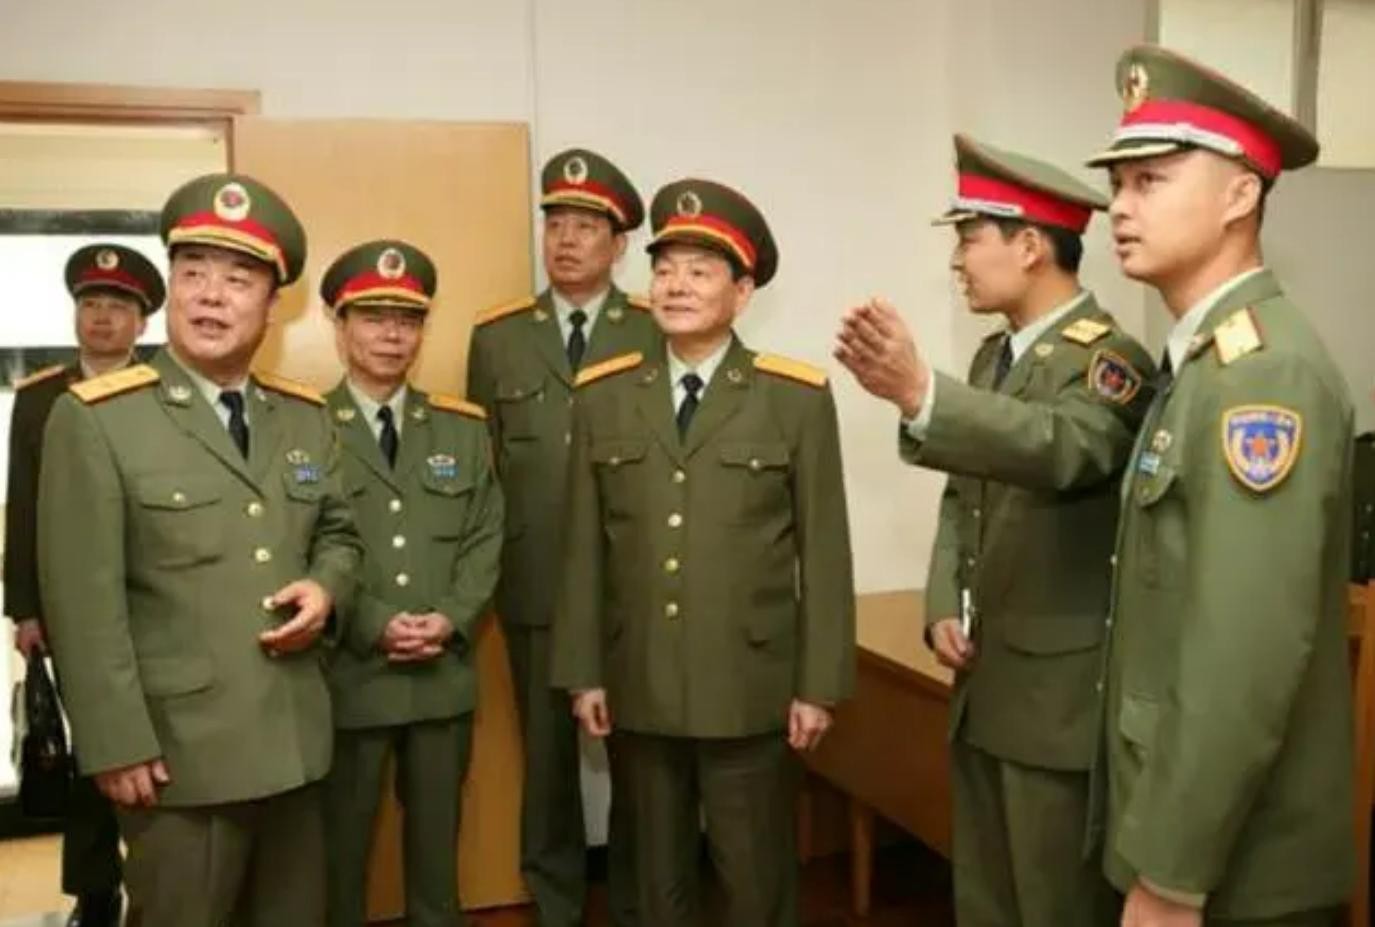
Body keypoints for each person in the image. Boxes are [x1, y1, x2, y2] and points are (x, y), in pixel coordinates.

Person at [835, 133, 1153, 927]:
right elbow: (963, 495)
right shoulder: (993, 359)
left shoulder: (1108, 362)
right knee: (984, 900)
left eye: (970, 237)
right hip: (984, 686)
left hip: (1055, 703)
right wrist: (943, 599)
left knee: (1050, 904)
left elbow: (1063, 449)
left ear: (1030, 245)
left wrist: (921, 393)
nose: (957, 260)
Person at [38, 172, 363, 927]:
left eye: (238, 279)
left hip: (294, 743)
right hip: (176, 761)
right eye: (193, 274)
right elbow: (82, 604)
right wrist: (114, 744)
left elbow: (340, 533)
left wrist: (326, 587)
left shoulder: (303, 417)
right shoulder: (98, 420)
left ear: (272, 305)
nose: (211, 296)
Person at [1086, 44, 1355, 926]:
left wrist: (1171, 875)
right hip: (1190, 834)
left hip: (1233, 871)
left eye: (1149, 180)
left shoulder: (1260, 375)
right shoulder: (1205, 362)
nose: (1118, 206)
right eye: (1116, 184)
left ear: (1240, 194)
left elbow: (1241, 653)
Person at [551, 177, 855, 927]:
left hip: (750, 686)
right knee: (654, 881)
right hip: (640, 679)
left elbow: (824, 554)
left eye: (699, 270)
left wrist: (817, 686)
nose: (676, 285)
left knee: (754, 879)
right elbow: (583, 549)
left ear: (742, 293)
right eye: (664, 269)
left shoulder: (794, 398)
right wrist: (583, 671)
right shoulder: (604, 395)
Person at [465, 147, 654, 927]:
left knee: (641, 759)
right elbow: (483, 473)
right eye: (555, 225)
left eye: (585, 226)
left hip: (635, 587)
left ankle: (642, 899)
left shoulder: (653, 328)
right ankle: (554, 902)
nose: (566, 240)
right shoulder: (499, 338)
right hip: (536, 581)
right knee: (546, 762)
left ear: (619, 243)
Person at [320, 238, 503, 927]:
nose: (392, 335)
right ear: (340, 327)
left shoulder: (462, 428)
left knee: (436, 854)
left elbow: (486, 536)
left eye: (407, 319)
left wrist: (452, 617)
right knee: (339, 852)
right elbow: (297, 545)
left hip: (439, 674)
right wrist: (372, 622)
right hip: (349, 677)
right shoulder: (305, 425)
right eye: (373, 317)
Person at [5, 242, 165, 927]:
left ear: (141, 322)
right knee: (92, 753)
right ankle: (96, 892)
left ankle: (162, 881)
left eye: (117, 307)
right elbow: (23, 506)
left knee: (158, 747)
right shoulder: (40, 398)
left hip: (154, 603)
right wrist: (24, 609)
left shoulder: (162, 391)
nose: (101, 318)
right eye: (90, 304)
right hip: (71, 608)